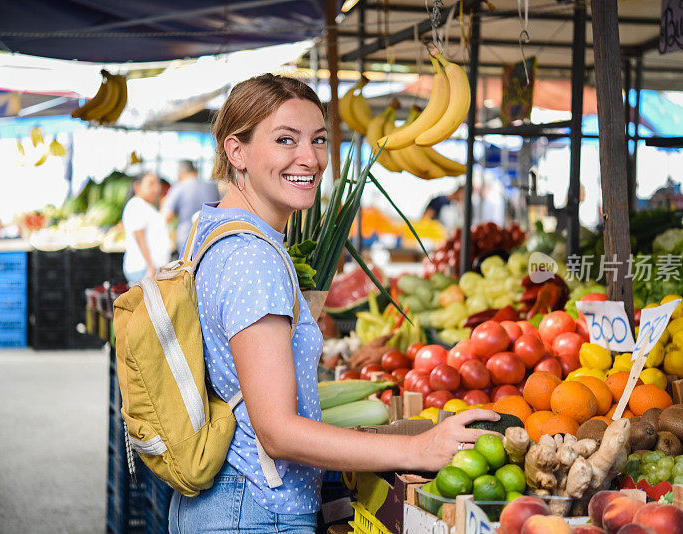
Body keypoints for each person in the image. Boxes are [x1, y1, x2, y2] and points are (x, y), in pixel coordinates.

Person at [168, 73, 498, 533]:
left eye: (318, 140)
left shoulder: (217, 230)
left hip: (229, 502)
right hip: (254, 511)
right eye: (286, 140)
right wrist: (417, 449)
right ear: (235, 151)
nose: (310, 158)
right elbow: (277, 432)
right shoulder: (251, 258)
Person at [121, 173, 172, 284]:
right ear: (137, 187)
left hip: (150, 269)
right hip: (144, 269)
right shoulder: (136, 205)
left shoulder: (145, 206)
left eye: (157, 184)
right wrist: (150, 267)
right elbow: (139, 236)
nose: (156, 188)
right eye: (151, 184)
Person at [162, 160, 220, 253]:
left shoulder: (178, 188)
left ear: (180, 172)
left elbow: (166, 217)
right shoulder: (212, 187)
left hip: (186, 240)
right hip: (210, 237)